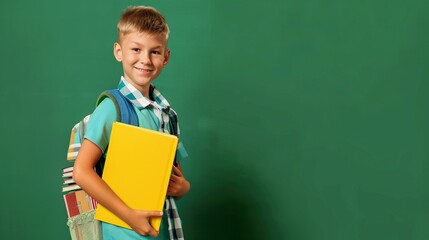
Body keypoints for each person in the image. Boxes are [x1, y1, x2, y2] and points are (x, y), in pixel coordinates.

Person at [73, 6, 190, 240]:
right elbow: (82, 171)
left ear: (165, 57)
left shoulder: (167, 114)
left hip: (159, 230)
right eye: (136, 49)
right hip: (122, 232)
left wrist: (183, 187)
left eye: (155, 52)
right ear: (119, 51)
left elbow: (176, 176)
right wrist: (129, 215)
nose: (145, 60)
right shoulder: (111, 108)